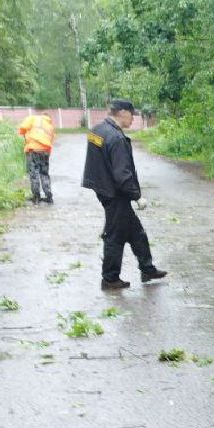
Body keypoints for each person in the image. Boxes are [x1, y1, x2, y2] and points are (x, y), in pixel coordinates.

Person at [81, 99, 166, 291]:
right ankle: (110, 279)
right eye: (132, 114)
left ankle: (147, 269)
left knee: (136, 232)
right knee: (114, 236)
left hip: (103, 188)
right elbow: (122, 174)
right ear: (121, 113)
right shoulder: (116, 138)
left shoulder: (97, 130)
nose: (133, 118)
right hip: (115, 193)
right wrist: (136, 196)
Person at [16, 111, 55, 204]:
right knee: (44, 173)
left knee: (34, 173)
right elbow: (51, 140)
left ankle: (36, 197)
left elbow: (22, 128)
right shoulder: (50, 125)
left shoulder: (34, 118)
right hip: (45, 151)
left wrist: (24, 134)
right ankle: (49, 196)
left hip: (33, 150)